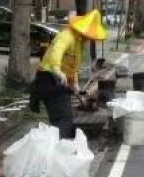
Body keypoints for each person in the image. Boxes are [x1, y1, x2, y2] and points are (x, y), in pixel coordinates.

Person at [30, 10, 108, 139]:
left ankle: (60, 144)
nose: (90, 38)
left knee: (64, 115)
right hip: (49, 78)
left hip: (58, 80)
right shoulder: (67, 36)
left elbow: (72, 66)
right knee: (63, 117)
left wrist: (75, 84)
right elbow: (57, 52)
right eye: (89, 35)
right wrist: (57, 70)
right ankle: (60, 147)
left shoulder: (79, 44)